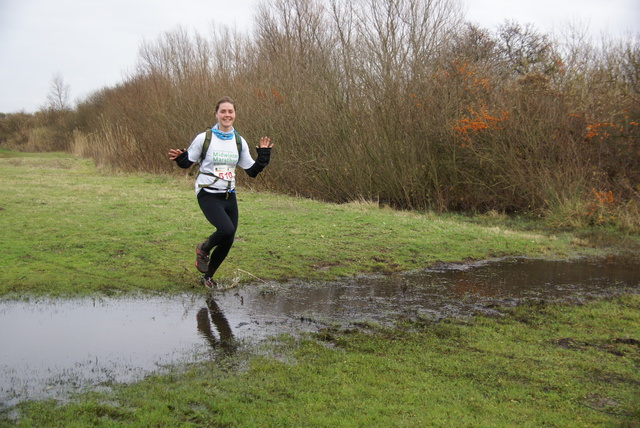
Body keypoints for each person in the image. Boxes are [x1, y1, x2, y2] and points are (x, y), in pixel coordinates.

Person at [168, 96, 273, 288]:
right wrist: (180, 158)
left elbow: (251, 171)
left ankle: (207, 277)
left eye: (230, 111)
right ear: (216, 114)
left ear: (235, 115)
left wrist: (263, 157)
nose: (227, 115)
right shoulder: (204, 138)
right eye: (223, 111)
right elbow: (187, 162)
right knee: (226, 229)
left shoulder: (239, 141)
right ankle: (203, 248)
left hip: (228, 195)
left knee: (228, 238)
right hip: (207, 192)